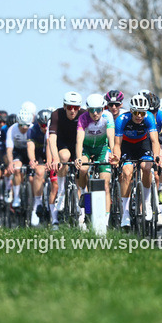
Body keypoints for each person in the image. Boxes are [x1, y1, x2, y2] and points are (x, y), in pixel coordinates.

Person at [113, 93, 162, 229]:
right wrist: (116, 157)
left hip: (143, 144)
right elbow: (117, 145)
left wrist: (156, 156)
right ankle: (125, 213)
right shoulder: (122, 119)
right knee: (126, 172)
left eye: (142, 112)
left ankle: (146, 202)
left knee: (146, 168)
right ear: (131, 111)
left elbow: (154, 141)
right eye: (136, 112)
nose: (139, 116)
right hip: (127, 146)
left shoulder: (149, 118)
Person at [74, 93, 117, 228]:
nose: (95, 113)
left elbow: (111, 137)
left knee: (105, 184)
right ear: (87, 110)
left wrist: (113, 154)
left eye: (98, 109)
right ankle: (83, 196)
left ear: (103, 108)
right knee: (83, 169)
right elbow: (79, 141)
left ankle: (104, 221)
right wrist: (78, 158)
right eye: (92, 110)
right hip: (87, 148)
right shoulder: (83, 118)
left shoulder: (107, 116)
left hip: (102, 148)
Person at [48, 91, 83, 225]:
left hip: (78, 143)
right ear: (64, 106)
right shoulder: (56, 114)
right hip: (62, 143)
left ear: (79, 108)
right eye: (69, 107)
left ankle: (82, 215)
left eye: (75, 108)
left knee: (82, 172)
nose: (72, 110)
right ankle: (62, 192)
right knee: (64, 156)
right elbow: (52, 139)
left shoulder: (84, 114)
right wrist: (55, 158)